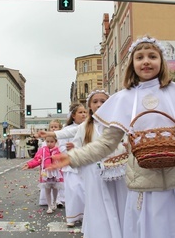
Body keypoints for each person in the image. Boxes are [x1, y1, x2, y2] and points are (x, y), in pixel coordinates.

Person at [49, 35, 175, 238]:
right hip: (143, 187)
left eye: (152, 56)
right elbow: (105, 144)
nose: (146, 61)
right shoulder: (124, 99)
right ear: (132, 64)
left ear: (162, 61)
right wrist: (73, 157)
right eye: (140, 57)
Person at [71, 89, 128, 238]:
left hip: (117, 169)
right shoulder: (85, 127)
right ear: (90, 106)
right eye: (95, 102)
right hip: (93, 170)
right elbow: (78, 145)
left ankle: (121, 231)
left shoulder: (117, 123)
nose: (99, 104)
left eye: (103, 101)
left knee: (119, 200)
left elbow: (125, 142)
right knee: (98, 204)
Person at [38, 103, 88, 227]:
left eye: (84, 112)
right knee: (73, 190)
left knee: (85, 191)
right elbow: (60, 146)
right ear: (74, 115)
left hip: (86, 163)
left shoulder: (89, 127)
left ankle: (85, 216)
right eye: (80, 112)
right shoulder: (67, 129)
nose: (83, 114)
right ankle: (72, 217)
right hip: (70, 165)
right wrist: (68, 150)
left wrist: (78, 147)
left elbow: (94, 144)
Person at [22, 136, 64, 214]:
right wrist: (29, 165)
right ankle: (49, 205)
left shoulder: (58, 150)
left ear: (55, 142)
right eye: (47, 141)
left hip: (55, 173)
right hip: (46, 173)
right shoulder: (42, 150)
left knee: (55, 188)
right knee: (47, 190)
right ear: (45, 141)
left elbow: (63, 160)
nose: (49, 143)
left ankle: (54, 202)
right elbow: (37, 160)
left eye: (52, 142)